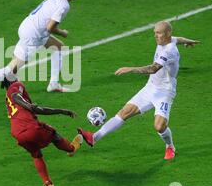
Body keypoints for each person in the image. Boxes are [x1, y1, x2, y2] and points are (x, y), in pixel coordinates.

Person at [78, 21, 200, 160]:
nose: (156, 36)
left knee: (159, 126)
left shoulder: (169, 51)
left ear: (167, 34)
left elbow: (153, 69)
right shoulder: (167, 40)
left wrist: (130, 69)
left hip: (165, 92)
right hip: (150, 87)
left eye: (158, 33)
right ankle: (94, 138)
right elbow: (177, 39)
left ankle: (170, 146)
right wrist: (188, 41)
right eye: (155, 33)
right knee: (124, 112)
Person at [2, 76, 90, 186]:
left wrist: (61, 111)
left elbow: (39, 110)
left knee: (36, 154)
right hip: (30, 128)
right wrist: (30, 106)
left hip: (17, 133)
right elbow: (16, 96)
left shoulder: (8, 100)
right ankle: (71, 149)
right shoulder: (15, 86)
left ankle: (47, 183)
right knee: (53, 133)